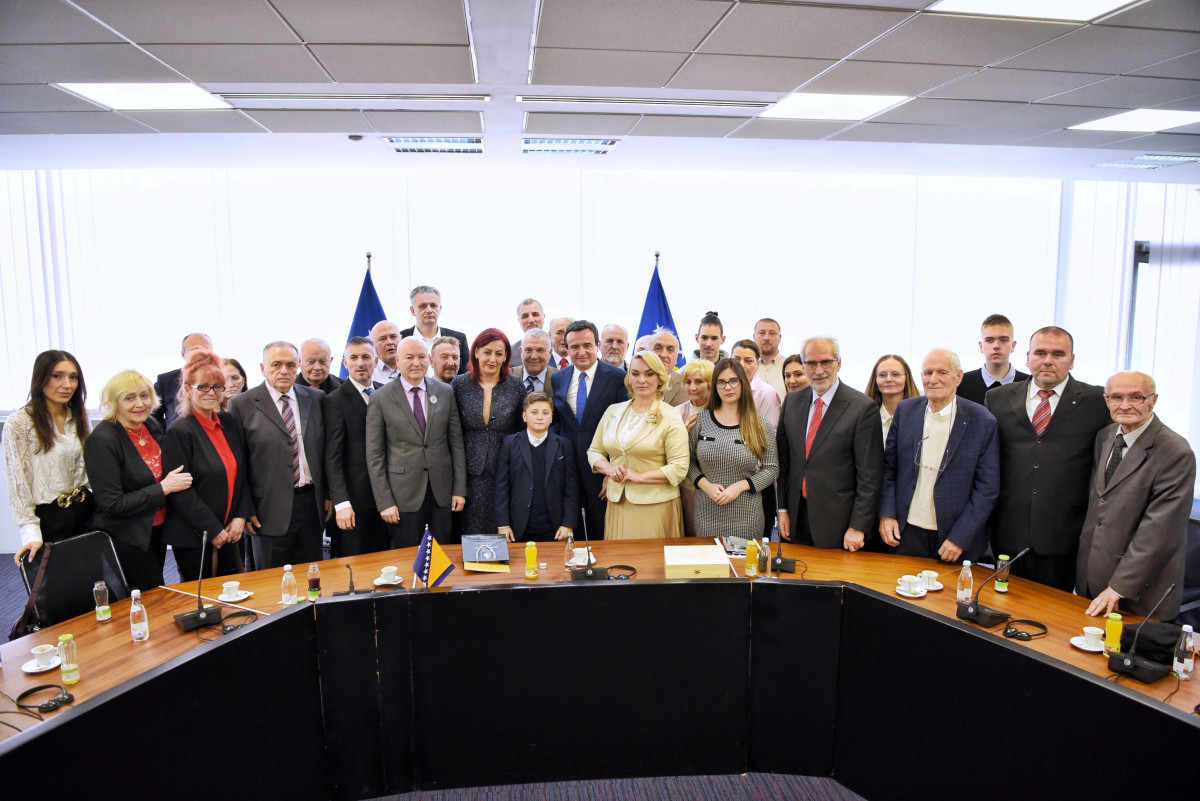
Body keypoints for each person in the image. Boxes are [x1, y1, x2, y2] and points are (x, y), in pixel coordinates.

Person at [986, 326, 1110, 592]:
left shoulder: (1097, 402)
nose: (1048, 361)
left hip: (1063, 537)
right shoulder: (997, 399)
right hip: (1007, 533)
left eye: (1058, 354)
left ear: (1072, 360)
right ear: (1027, 357)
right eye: (1040, 353)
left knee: (1052, 614)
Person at [1078, 371, 1196, 619]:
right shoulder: (1106, 436)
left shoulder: (1175, 451)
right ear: (1106, 400)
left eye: (1135, 397)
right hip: (1093, 582)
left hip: (1138, 594)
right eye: (1116, 397)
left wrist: (1118, 588)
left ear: (1153, 400)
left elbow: (1160, 532)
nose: (1124, 405)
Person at [878, 349, 999, 564]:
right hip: (905, 533)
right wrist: (887, 514)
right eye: (927, 373)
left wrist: (960, 538)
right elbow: (888, 469)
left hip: (952, 539)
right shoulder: (905, 411)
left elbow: (986, 489)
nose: (933, 379)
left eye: (942, 372)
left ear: (958, 377)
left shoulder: (982, 420)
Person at [85, 370, 192, 589]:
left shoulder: (150, 424)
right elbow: (112, 505)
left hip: (157, 528)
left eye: (144, 396)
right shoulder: (103, 440)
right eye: (129, 398)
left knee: (154, 591)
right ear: (114, 401)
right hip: (127, 535)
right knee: (151, 595)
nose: (140, 404)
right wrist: (163, 488)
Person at [228, 341, 328, 569]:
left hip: (311, 506)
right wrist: (244, 510)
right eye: (276, 364)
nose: (284, 371)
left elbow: (324, 453)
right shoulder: (241, 405)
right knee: (272, 580)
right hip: (266, 511)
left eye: (290, 365)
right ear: (263, 368)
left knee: (312, 576)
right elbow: (238, 465)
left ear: (298, 366)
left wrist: (328, 495)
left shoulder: (316, 398)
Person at [777, 337, 883, 551]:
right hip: (796, 519)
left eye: (826, 362)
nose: (818, 370)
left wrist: (858, 526)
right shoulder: (792, 401)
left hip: (839, 524)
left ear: (839, 363)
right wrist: (782, 509)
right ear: (803, 365)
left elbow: (870, 476)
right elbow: (784, 463)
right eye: (811, 363)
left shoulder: (862, 408)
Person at [365, 338, 466, 547]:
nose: (416, 363)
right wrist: (385, 502)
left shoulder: (445, 392)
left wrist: (459, 489)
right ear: (398, 360)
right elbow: (375, 455)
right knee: (406, 555)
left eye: (421, 357)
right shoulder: (380, 398)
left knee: (442, 554)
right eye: (409, 357)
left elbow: (456, 444)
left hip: (441, 492)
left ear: (429, 359)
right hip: (402, 495)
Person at [162, 350, 252, 581]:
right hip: (195, 537)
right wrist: (212, 530)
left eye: (217, 387)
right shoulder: (179, 431)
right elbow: (181, 492)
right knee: (202, 599)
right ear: (187, 389)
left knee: (234, 594)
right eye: (203, 387)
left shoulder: (228, 421)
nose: (211, 393)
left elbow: (242, 473)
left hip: (231, 531)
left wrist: (240, 516)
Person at [587, 351, 689, 540]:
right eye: (635, 374)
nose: (641, 380)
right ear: (629, 378)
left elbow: (679, 468)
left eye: (649, 374)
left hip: (655, 505)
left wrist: (639, 477)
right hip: (618, 503)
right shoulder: (612, 411)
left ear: (660, 378)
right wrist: (609, 469)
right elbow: (594, 451)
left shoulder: (671, 416)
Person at [6, 350, 93, 566]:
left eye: (73, 377)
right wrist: (30, 532)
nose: (67, 385)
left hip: (86, 510)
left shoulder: (79, 415)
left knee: (97, 579)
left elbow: (90, 467)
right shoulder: (19, 423)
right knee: (61, 582)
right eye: (57, 376)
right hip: (50, 518)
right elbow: (19, 484)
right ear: (40, 378)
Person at [551, 320, 629, 539]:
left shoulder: (618, 378)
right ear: (567, 348)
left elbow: (624, 428)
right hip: (567, 471)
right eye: (574, 347)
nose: (581, 352)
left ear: (597, 345)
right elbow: (557, 422)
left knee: (602, 533)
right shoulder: (557, 378)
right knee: (571, 533)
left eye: (587, 345)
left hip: (601, 472)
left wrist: (610, 471)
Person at [688, 358, 778, 540]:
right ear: (715, 386)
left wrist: (740, 486)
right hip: (707, 511)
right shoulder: (700, 421)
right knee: (710, 558)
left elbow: (772, 468)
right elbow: (688, 463)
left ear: (743, 383)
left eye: (733, 381)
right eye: (721, 382)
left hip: (747, 515)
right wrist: (706, 486)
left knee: (745, 559)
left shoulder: (760, 424)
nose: (727, 387)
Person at [452, 329, 527, 538]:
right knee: (470, 533)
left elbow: (522, 432)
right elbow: (452, 432)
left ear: (506, 357)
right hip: (468, 476)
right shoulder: (459, 384)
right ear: (476, 352)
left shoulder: (516, 386)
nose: (492, 359)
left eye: (499, 354)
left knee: (503, 532)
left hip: (505, 473)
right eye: (487, 352)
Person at [324, 337, 389, 557]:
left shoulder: (387, 393)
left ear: (376, 361)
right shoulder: (334, 401)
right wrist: (341, 503)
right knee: (356, 565)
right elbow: (333, 458)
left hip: (389, 498)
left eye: (366, 357)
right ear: (345, 363)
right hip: (355, 503)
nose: (360, 363)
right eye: (354, 358)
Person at [494, 392, 579, 542]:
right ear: (524, 416)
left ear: (551, 417)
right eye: (534, 412)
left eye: (545, 413)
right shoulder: (510, 443)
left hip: (555, 527)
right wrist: (503, 524)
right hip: (519, 527)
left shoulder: (564, 445)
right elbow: (502, 487)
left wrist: (568, 524)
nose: (540, 417)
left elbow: (571, 488)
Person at [731, 339, 783, 539]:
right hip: (728, 478)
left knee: (753, 542)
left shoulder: (766, 394)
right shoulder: (723, 390)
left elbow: (769, 441)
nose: (741, 364)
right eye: (737, 359)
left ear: (758, 364)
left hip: (756, 482)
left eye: (748, 360)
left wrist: (746, 474)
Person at [675, 359, 713, 537]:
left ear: (711, 384)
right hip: (687, 486)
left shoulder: (722, 411)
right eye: (688, 382)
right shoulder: (676, 413)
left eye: (699, 382)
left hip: (717, 485)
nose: (692, 387)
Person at [958, 314, 1031, 405]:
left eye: (1003, 340)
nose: (996, 346)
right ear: (981, 346)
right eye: (990, 340)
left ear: (1013, 345)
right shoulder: (962, 383)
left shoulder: (1029, 384)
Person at [399, 285, 469, 372]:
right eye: (423, 306)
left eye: (433, 305)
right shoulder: (400, 338)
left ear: (440, 309)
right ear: (413, 310)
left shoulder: (459, 338)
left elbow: (466, 374)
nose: (429, 310)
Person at [153, 332, 212, 427]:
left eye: (206, 348)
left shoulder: (222, 378)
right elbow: (153, 417)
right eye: (195, 349)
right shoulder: (166, 381)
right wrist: (167, 432)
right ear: (183, 354)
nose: (202, 353)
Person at [865, 354, 920, 441]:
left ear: (907, 378)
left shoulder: (920, 416)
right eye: (882, 375)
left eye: (895, 374)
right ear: (875, 380)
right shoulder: (865, 417)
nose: (889, 379)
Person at [648, 327, 687, 405]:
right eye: (658, 348)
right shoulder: (633, 382)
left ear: (676, 358)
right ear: (647, 353)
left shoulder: (686, 385)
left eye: (670, 349)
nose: (664, 355)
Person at [512, 328, 556, 394]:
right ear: (521, 351)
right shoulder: (507, 377)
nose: (534, 357)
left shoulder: (561, 379)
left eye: (540, 350)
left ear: (550, 352)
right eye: (528, 350)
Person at [754, 318, 787, 398]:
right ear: (754, 337)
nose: (766, 338)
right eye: (762, 333)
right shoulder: (745, 367)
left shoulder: (789, 366)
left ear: (780, 338)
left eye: (772, 333)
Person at [510, 297, 546, 366]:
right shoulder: (510, 353)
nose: (531, 320)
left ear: (543, 317)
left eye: (535, 314)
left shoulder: (557, 348)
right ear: (519, 321)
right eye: (525, 316)